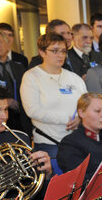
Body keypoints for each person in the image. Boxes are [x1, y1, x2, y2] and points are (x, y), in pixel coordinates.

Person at [20, 33, 86, 161]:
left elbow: (86, 104)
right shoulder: (31, 77)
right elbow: (32, 110)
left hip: (76, 140)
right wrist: (66, 119)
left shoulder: (74, 78)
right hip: (48, 142)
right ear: (42, 52)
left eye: (63, 51)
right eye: (55, 51)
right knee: (55, 179)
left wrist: (79, 118)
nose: (60, 55)